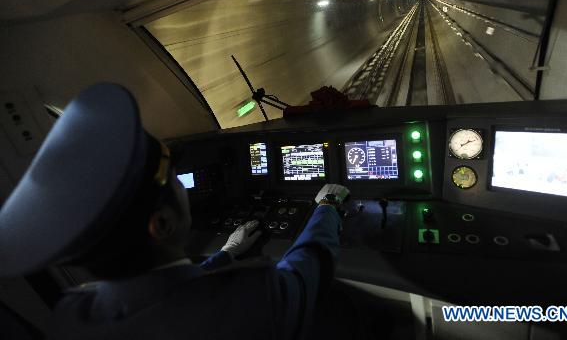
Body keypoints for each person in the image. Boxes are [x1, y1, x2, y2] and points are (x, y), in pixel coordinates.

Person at [0, 83, 350, 340]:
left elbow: (168, 293)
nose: (184, 188)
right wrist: (327, 207)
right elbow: (307, 271)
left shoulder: (72, 313)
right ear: (163, 222)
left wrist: (227, 254)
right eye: (176, 182)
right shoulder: (250, 299)